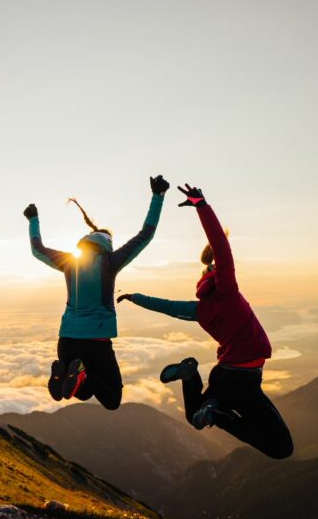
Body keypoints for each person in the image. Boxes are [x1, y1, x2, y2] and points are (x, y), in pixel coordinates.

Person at [118, 183, 293, 459]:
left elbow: (166, 307)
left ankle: (192, 380)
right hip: (243, 379)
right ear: (216, 272)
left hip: (226, 377)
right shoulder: (227, 291)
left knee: (195, 414)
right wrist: (201, 205)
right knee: (281, 447)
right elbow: (222, 248)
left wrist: (135, 297)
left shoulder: (201, 309)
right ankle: (210, 405)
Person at [24, 175, 170, 409]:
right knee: (112, 399)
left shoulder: (69, 261)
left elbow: (37, 250)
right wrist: (158, 196)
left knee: (77, 393)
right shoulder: (109, 261)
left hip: (67, 341)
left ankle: (67, 374)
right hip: (96, 343)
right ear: (106, 243)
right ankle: (81, 375)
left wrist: (33, 219)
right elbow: (146, 235)